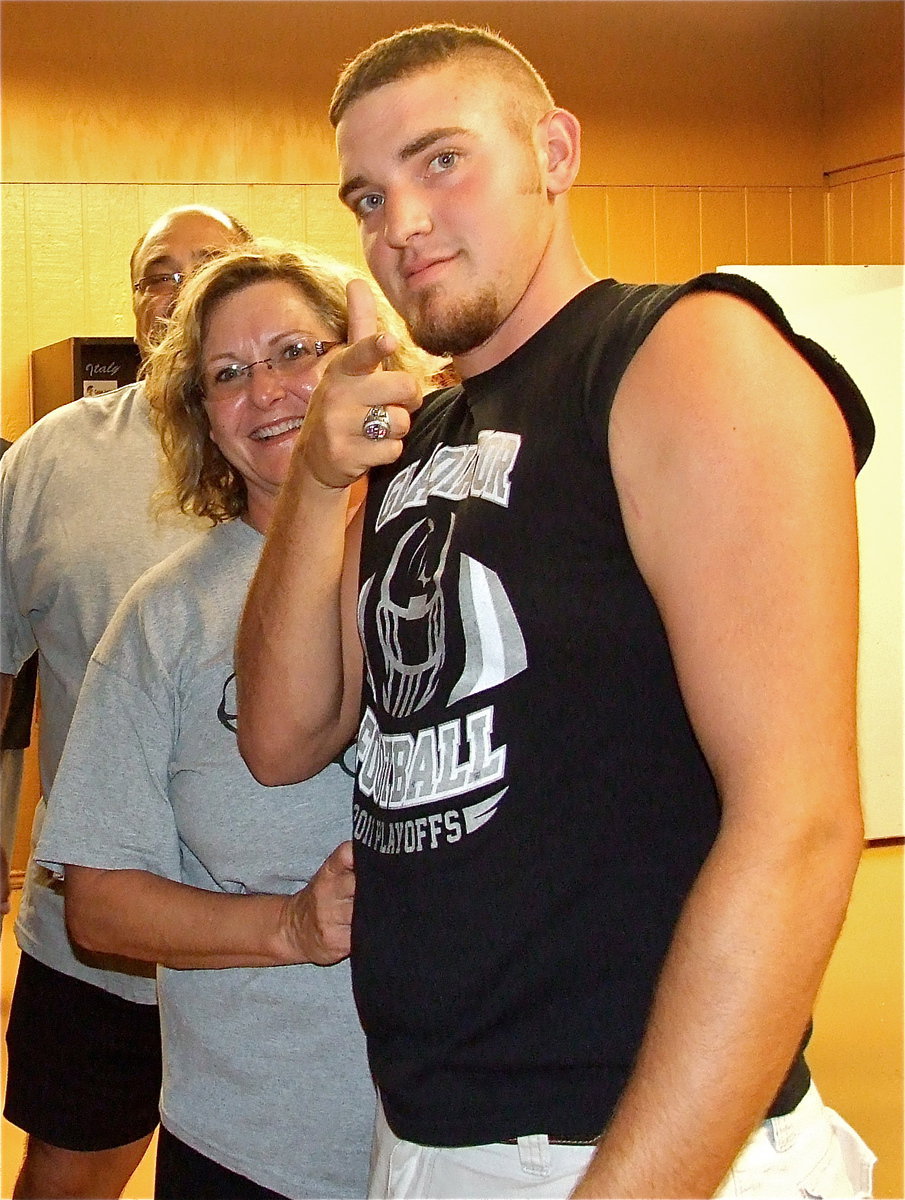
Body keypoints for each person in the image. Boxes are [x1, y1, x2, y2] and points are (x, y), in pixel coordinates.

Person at [235, 23, 879, 1200]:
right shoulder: (413, 435)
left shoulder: (680, 356)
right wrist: (321, 483)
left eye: (441, 163)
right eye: (367, 198)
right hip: (429, 1134)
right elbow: (281, 739)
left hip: (632, 1149)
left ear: (555, 150)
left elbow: (798, 823)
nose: (401, 226)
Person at [32, 243, 430, 1199]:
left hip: (474, 1129)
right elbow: (99, 902)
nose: (270, 392)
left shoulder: (453, 548)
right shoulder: (163, 620)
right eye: (227, 375)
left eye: (298, 351)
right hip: (259, 1142)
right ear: (202, 423)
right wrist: (289, 926)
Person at [1, 204, 251, 1199]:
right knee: (72, 1171)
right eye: (158, 272)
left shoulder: (308, 451)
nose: (182, 287)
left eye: (211, 266)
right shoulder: (45, 464)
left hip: (284, 941)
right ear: (135, 302)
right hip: (92, 936)